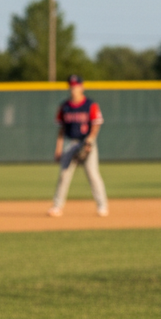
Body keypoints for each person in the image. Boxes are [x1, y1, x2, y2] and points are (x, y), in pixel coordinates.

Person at [48, 74, 109, 218]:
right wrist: (58, 148)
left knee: (93, 175)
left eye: (76, 85)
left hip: (86, 142)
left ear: (82, 86)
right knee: (64, 175)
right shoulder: (65, 107)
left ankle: (102, 206)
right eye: (71, 85)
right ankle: (57, 207)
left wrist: (90, 140)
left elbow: (96, 124)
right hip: (70, 143)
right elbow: (61, 130)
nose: (73, 88)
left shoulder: (90, 104)